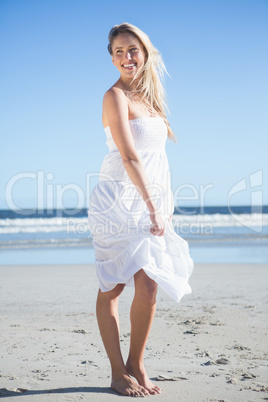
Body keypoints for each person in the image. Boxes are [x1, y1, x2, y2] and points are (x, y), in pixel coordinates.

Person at [87, 22, 194, 397]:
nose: (126, 57)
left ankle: (137, 363)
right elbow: (131, 156)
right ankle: (118, 372)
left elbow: (155, 157)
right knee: (113, 287)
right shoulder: (113, 97)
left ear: (144, 52)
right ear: (112, 58)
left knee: (148, 285)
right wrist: (152, 206)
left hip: (151, 199)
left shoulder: (150, 98)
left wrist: (160, 202)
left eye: (132, 49)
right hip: (119, 199)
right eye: (118, 52)